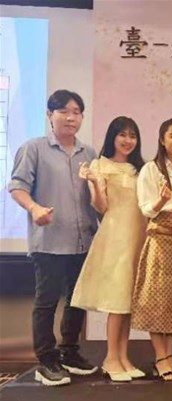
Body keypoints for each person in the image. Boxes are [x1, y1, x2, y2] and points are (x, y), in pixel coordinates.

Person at [8, 89, 98, 386]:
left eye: (76, 112)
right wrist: (34, 208)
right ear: (50, 114)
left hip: (83, 239)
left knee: (77, 299)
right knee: (46, 302)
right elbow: (17, 187)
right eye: (64, 111)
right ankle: (46, 360)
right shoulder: (34, 148)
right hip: (49, 241)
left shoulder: (89, 154)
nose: (71, 117)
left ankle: (69, 351)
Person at [71, 116, 146, 382]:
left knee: (127, 302)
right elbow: (101, 207)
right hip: (116, 237)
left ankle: (123, 357)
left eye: (133, 135)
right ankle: (111, 358)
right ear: (112, 136)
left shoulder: (141, 169)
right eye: (122, 134)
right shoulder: (99, 164)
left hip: (139, 237)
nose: (128, 140)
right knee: (117, 299)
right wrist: (93, 181)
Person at [131, 118, 172, 382]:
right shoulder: (151, 169)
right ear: (162, 139)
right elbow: (146, 209)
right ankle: (160, 357)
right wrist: (161, 200)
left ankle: (169, 354)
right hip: (161, 236)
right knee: (157, 297)